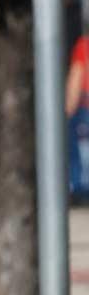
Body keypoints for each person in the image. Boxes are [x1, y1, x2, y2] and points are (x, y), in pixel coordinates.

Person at [67, 33, 89, 196]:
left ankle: (82, 189)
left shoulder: (84, 45)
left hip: (86, 107)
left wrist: (69, 108)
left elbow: (77, 75)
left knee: (82, 152)